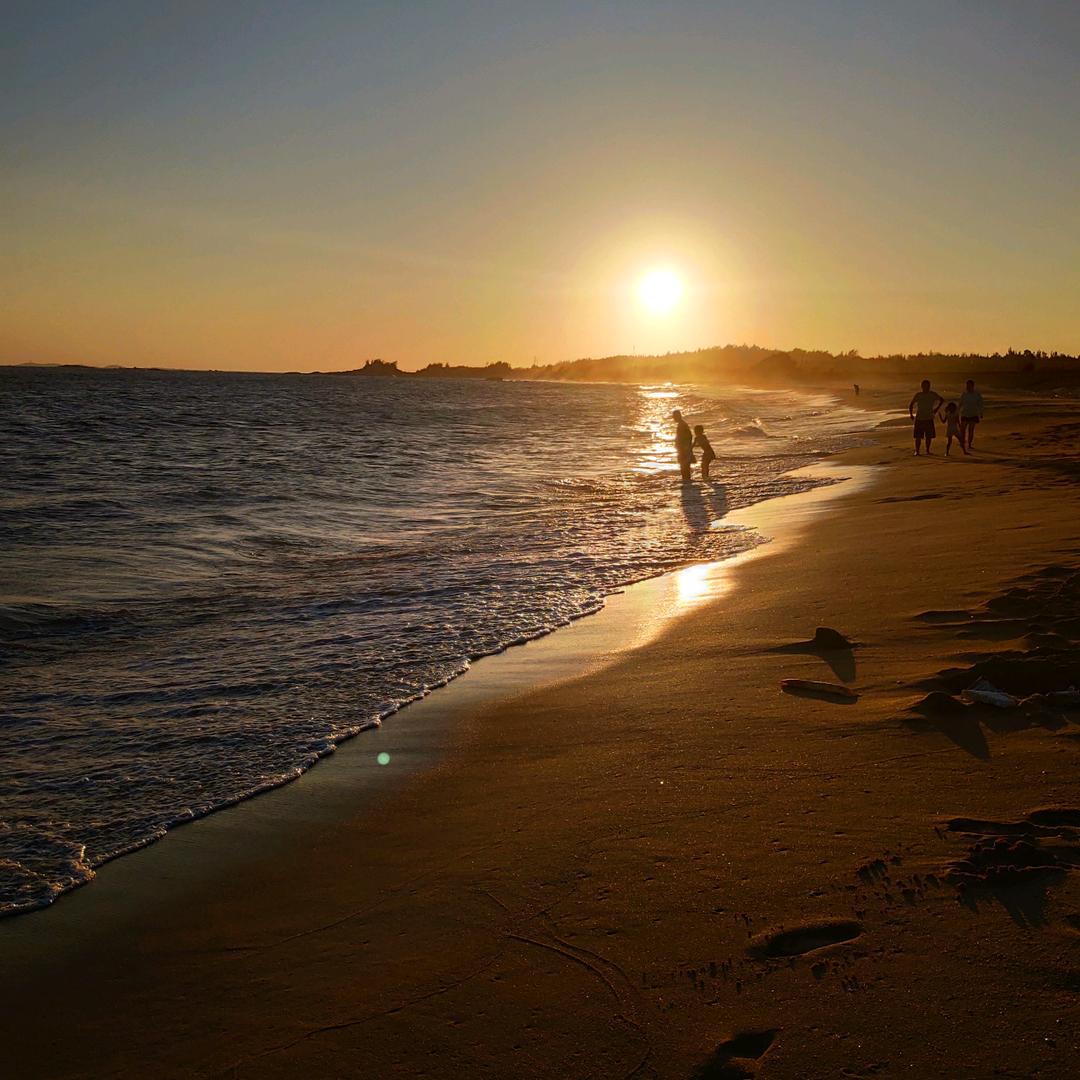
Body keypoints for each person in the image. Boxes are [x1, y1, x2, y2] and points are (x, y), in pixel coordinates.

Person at [908, 379, 944, 456]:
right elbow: (911, 404)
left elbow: (942, 400)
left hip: (929, 418)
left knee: (929, 436)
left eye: (927, 386)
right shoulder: (918, 395)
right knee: (918, 436)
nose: (926, 387)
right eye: (924, 386)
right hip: (919, 418)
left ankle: (927, 450)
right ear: (921, 386)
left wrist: (936, 409)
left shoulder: (932, 394)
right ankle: (917, 451)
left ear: (929, 386)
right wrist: (911, 414)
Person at [958, 379, 984, 452]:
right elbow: (960, 404)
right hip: (965, 413)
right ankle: (962, 442)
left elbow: (980, 404)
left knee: (971, 430)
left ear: (972, 386)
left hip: (973, 414)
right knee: (962, 430)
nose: (967, 387)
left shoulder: (977, 394)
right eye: (967, 385)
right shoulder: (964, 394)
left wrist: (981, 413)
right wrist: (957, 412)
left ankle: (969, 444)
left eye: (969, 385)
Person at [672, 409, 694, 482]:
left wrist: (684, 447)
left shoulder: (682, 425)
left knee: (684, 466)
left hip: (684, 449)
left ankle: (686, 482)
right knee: (684, 466)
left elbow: (689, 436)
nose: (673, 418)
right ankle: (687, 482)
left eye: (674, 416)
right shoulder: (682, 424)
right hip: (683, 448)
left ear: (678, 416)